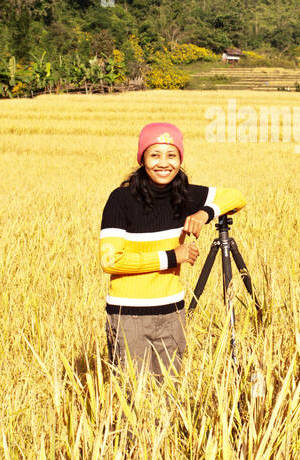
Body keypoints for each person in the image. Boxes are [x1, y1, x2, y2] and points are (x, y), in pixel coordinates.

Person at [98, 122, 246, 378]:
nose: (163, 163)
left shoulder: (185, 195)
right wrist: (171, 257)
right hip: (129, 315)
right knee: (133, 398)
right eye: (154, 155)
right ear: (142, 158)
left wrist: (205, 213)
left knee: (170, 396)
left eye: (171, 155)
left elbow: (236, 196)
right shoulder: (120, 200)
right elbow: (110, 261)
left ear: (180, 159)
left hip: (172, 313)